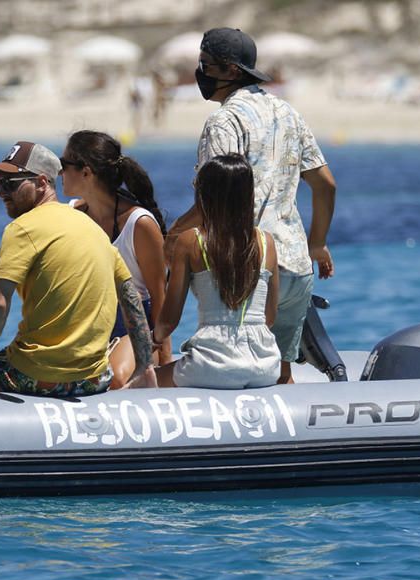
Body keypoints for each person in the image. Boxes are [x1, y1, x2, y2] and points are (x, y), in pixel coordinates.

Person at [166, 27, 337, 384]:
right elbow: (325, 184)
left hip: (247, 264)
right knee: (279, 373)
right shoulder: (287, 112)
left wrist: (174, 237)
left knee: (226, 364)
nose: (200, 71)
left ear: (230, 70)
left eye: (205, 64)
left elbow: (214, 198)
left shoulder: (224, 121)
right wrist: (317, 243)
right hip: (294, 264)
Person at [0, 141, 156, 396]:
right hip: (94, 379)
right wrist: (144, 367)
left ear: (42, 182)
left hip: (33, 374)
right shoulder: (92, 228)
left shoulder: (21, 228)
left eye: (10, 184)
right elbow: (131, 296)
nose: (1, 193)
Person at [153, 154, 280, 389]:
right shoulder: (267, 242)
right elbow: (269, 317)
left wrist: (152, 341)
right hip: (266, 365)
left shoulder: (191, 241)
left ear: (204, 195)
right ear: (249, 195)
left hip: (211, 365)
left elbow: (169, 322)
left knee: (140, 383)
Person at [59, 130, 169, 389]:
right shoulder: (71, 215)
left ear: (86, 172)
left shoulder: (139, 224)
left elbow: (160, 296)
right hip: (88, 326)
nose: (59, 173)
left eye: (63, 166)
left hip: (135, 331)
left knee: (116, 377)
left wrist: (164, 360)